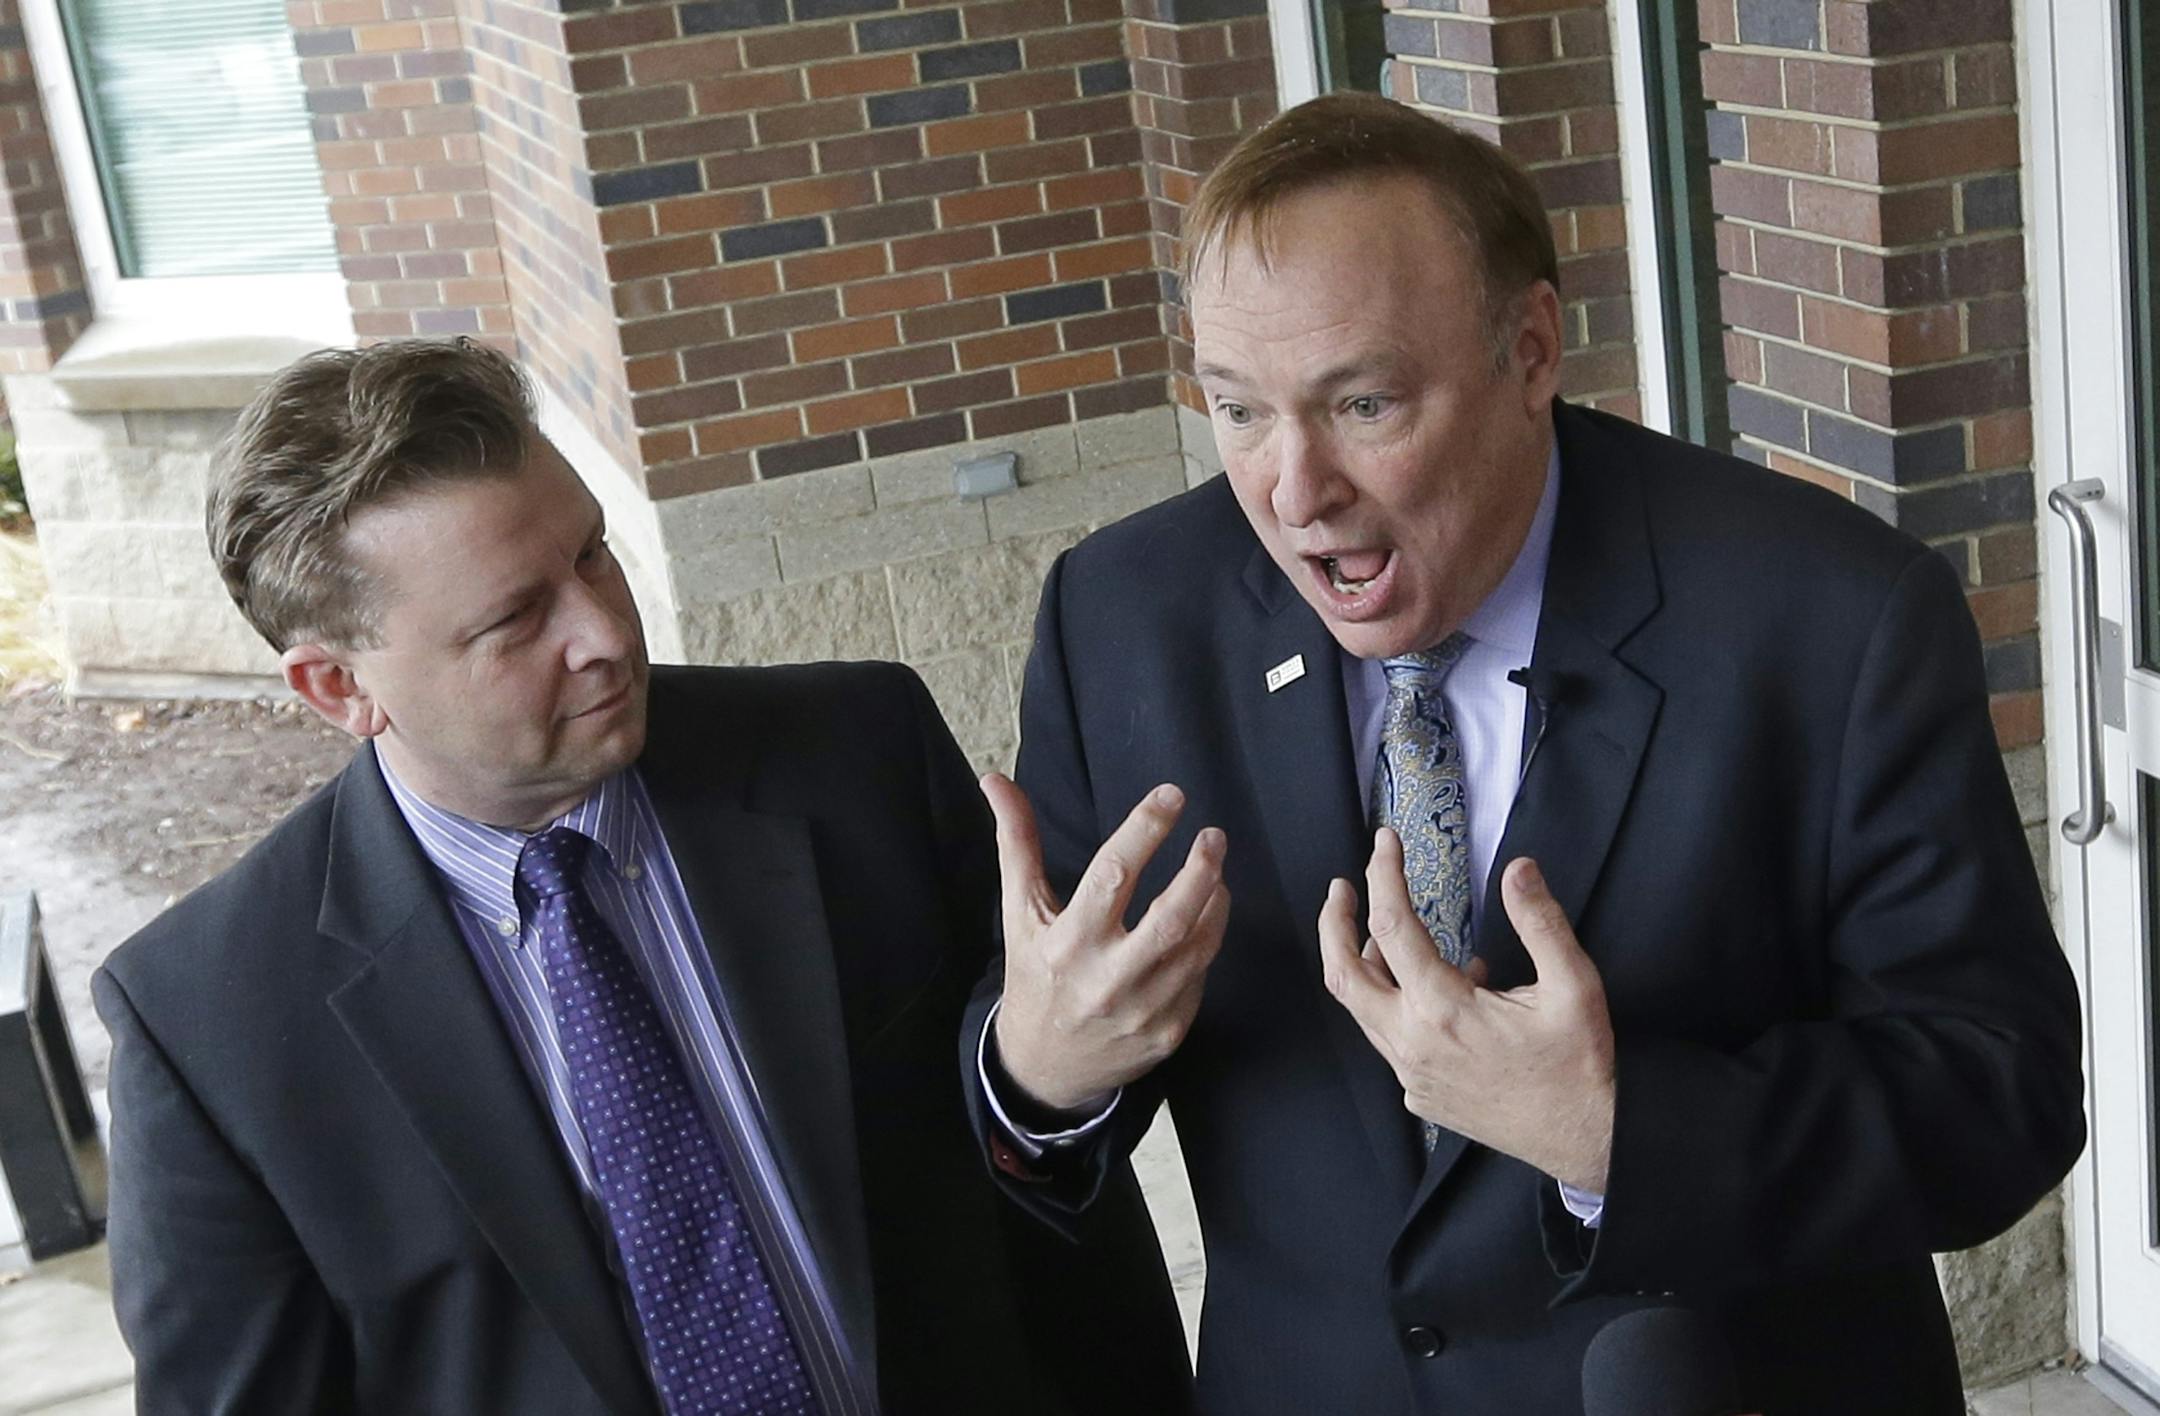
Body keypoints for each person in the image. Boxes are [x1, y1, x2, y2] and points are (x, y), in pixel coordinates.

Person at [962, 92, 2086, 1416]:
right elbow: (1035, 1103)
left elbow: (1994, 1099)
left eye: (1363, 403)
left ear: (1533, 349)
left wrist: (1618, 1133)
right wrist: (1038, 1072)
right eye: (1237, 409)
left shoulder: (1833, 618)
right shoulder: (1121, 619)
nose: (1290, 489)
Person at [94, 338, 1190, 1416]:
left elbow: (1039, 1177)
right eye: (516, 618)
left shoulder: (857, 752)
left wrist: (1045, 1084)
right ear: (339, 687)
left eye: (593, 554)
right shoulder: (207, 1024)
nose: (607, 632)